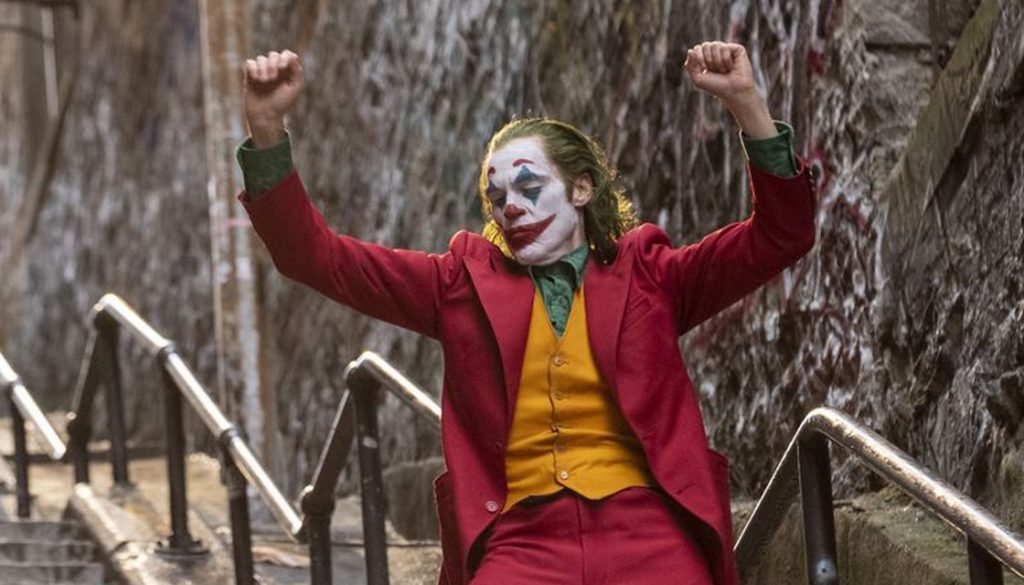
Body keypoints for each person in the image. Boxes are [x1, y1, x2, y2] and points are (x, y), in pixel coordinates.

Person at [238, 41, 816, 585]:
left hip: (650, 530)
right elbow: (316, 258)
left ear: (581, 190)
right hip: (522, 540)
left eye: (529, 187)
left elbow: (781, 235)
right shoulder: (457, 285)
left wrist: (746, 103)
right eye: (497, 199)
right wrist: (266, 131)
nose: (510, 208)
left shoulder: (652, 275)